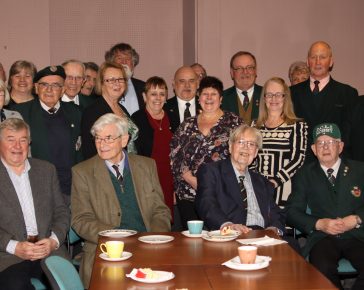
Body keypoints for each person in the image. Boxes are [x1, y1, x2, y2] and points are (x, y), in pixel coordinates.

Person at [72, 113, 171, 288]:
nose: (102, 145)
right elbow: (81, 220)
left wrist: (153, 239)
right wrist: (116, 237)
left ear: (124, 140)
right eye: (98, 138)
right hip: (107, 252)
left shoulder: (147, 165)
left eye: (108, 138)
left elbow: (160, 210)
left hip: (148, 247)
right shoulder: (82, 172)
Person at [286, 123, 364, 290]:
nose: (325, 147)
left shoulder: (360, 170)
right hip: (323, 237)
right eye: (320, 143)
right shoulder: (304, 174)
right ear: (314, 149)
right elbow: (291, 211)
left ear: (340, 146)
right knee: (321, 271)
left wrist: (357, 218)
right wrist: (319, 223)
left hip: (358, 235)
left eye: (331, 142)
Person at [0, 118, 70, 290]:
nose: (17, 146)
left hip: (48, 249)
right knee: (15, 285)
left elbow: (61, 211)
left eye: (23, 140)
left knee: (65, 283)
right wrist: (14, 246)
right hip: (9, 255)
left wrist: (53, 241)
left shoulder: (46, 170)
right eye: (10, 140)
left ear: (29, 143)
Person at [170, 76, 243, 229]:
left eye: (214, 94)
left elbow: (242, 156)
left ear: (221, 99)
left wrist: (207, 186)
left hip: (221, 195)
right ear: (199, 97)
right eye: (205, 94)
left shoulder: (235, 123)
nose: (209, 98)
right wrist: (191, 179)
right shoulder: (187, 124)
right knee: (192, 243)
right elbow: (175, 156)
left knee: (219, 242)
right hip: (188, 195)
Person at [195, 124, 285, 235]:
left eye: (251, 144)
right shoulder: (211, 171)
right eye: (241, 142)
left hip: (262, 235)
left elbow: (275, 212)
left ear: (256, 152)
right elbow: (206, 204)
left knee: (293, 247)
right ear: (230, 146)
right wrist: (227, 226)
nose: (246, 147)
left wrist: (274, 229)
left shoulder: (262, 181)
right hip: (230, 234)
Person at [13, 65, 83, 205]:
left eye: (56, 85)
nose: (49, 90)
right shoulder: (20, 113)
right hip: (37, 191)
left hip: (72, 190)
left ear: (63, 89)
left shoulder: (76, 113)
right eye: (44, 84)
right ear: (36, 88)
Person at [291, 41, 358, 159]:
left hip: (335, 163)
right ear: (308, 61)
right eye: (313, 57)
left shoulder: (347, 93)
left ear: (331, 61)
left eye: (322, 57)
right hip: (300, 164)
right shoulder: (291, 93)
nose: (317, 62)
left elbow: (350, 136)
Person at [252, 77, 307, 206]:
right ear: (264, 98)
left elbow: (298, 159)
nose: (274, 99)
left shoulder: (297, 125)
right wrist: (258, 182)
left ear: (285, 98)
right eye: (269, 95)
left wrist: (274, 181)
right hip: (258, 190)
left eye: (278, 95)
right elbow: (251, 157)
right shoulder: (254, 125)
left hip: (286, 191)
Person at [131, 76, 174, 215]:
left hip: (170, 179)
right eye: (153, 94)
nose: (158, 98)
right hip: (148, 179)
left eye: (162, 94)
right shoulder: (136, 119)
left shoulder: (173, 117)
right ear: (144, 96)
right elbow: (133, 155)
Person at [81, 62, 139, 159]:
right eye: (111, 80)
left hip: (130, 166)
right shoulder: (92, 111)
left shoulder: (122, 108)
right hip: (107, 169)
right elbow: (90, 151)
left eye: (120, 79)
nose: (117, 83)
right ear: (101, 83)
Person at [221, 51, 262, 125]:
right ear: (232, 73)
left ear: (255, 71)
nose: (245, 72)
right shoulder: (221, 99)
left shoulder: (266, 95)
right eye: (239, 68)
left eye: (249, 67)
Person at [105, 42, 145, 115]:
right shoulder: (104, 86)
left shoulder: (144, 87)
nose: (124, 62)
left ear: (133, 64)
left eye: (128, 58)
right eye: (119, 58)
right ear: (111, 63)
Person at [164, 66, 201, 132]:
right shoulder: (164, 108)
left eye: (191, 81)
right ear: (174, 84)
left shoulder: (206, 107)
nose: (187, 85)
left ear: (197, 84)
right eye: (182, 81)